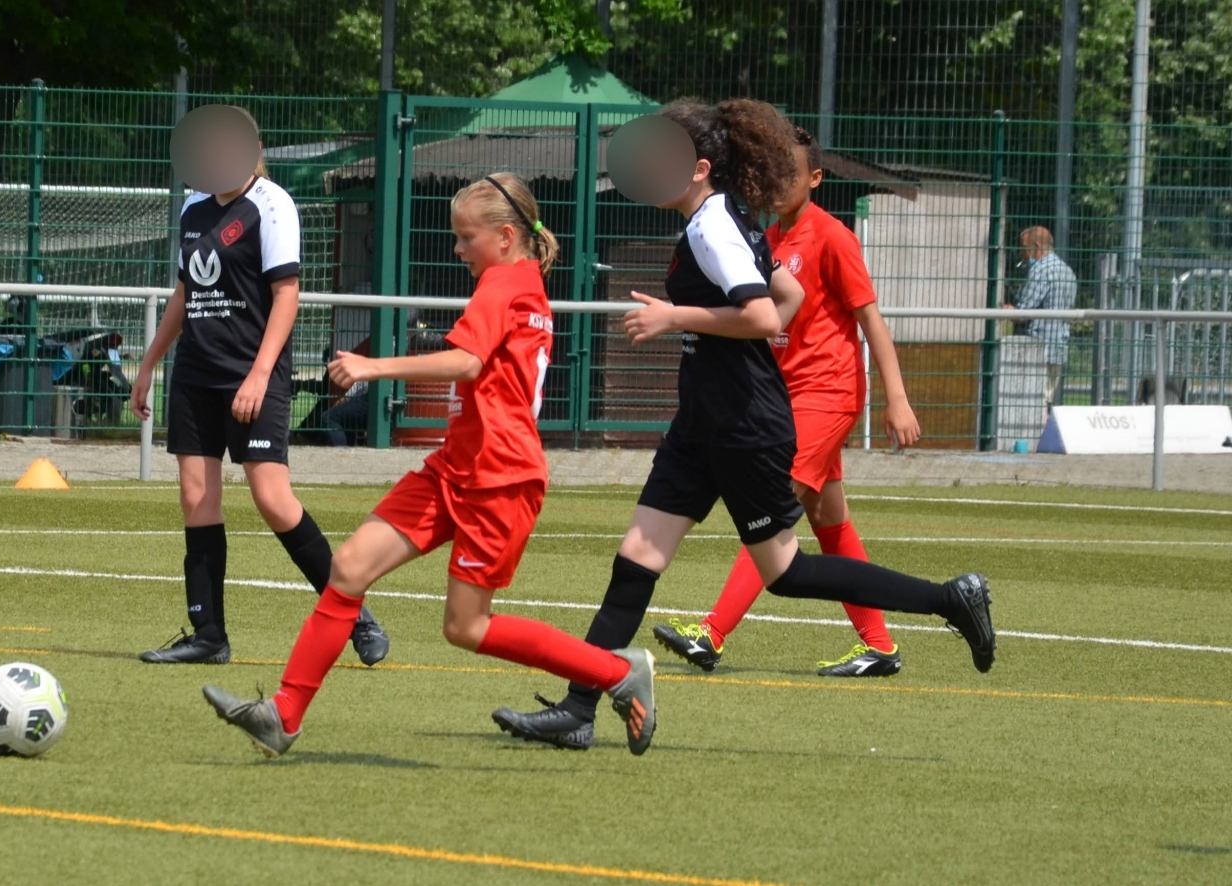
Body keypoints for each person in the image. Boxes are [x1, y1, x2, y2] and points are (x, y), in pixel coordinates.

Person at [490, 100, 996, 751]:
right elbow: (790, 297)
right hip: (703, 423)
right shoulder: (724, 219)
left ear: (700, 168)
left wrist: (675, 318)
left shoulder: (713, 228)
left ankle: (950, 599)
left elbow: (762, 316)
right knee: (637, 558)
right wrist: (706, 329)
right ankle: (579, 708)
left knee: (786, 571)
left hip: (742, 424)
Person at [201, 173, 658, 757]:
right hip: (456, 466)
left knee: (466, 626)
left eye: (467, 237)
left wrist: (372, 368)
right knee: (350, 568)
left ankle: (617, 672)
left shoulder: (504, 282)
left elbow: (467, 363)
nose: (457, 248)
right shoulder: (521, 281)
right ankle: (283, 714)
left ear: (505, 236)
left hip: (499, 477)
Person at [651, 126, 926, 679]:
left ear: (815, 179)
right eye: (771, 174)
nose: (776, 185)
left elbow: (872, 321)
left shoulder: (833, 237)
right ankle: (879, 646)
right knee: (828, 518)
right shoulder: (766, 237)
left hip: (827, 392)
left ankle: (711, 633)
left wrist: (896, 399)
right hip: (785, 395)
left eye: (789, 175)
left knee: (770, 510)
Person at [127, 110, 388, 665]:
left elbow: (287, 294)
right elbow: (185, 293)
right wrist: (149, 364)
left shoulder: (272, 204)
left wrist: (260, 374)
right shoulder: (194, 208)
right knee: (196, 498)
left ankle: (352, 613)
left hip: (253, 373)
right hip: (196, 373)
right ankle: (209, 636)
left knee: (272, 498)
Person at [1008, 226, 1076, 407]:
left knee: (1031, 405)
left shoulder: (1040, 271)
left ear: (1036, 246)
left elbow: (1023, 313)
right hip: (1058, 348)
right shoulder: (1068, 272)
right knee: (1046, 400)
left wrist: (1009, 310)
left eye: (1024, 248)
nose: (1022, 254)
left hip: (1037, 351)